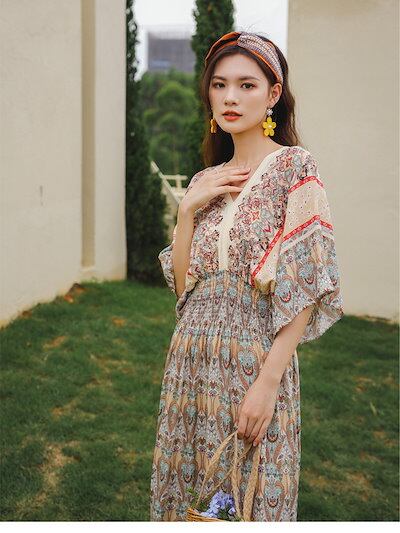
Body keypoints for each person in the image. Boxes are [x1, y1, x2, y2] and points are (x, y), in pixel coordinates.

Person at [149, 31, 344, 522]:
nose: (230, 97)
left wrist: (268, 382)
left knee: (250, 500)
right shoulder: (204, 179)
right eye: (219, 85)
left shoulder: (294, 168)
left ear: (273, 93)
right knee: (189, 499)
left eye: (246, 85)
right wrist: (187, 212)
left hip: (254, 359)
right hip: (191, 359)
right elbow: (183, 290)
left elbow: (306, 283)